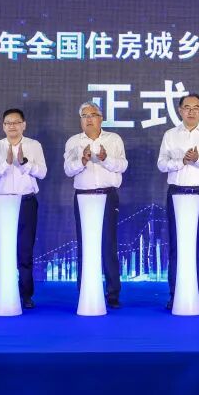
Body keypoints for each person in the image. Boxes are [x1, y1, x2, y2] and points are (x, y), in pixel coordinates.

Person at [157, 93, 199, 311]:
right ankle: (175, 294)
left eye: (196, 108)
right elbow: (161, 164)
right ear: (180, 110)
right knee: (176, 245)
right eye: (187, 107)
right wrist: (182, 161)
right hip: (177, 193)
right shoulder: (170, 135)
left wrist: (198, 159)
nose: (191, 111)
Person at [63, 101, 127, 309]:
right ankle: (85, 289)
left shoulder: (113, 139)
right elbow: (68, 170)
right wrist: (82, 161)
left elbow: (122, 165)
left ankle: (113, 293)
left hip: (107, 196)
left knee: (108, 245)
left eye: (92, 115)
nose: (88, 119)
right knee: (85, 244)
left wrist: (105, 159)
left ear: (101, 118)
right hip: (84, 197)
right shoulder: (74, 142)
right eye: (84, 116)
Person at [0, 108, 47, 309]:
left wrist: (23, 163)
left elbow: (43, 173)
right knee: (5, 250)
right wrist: (6, 163)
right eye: (8, 123)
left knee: (25, 250)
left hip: (26, 202)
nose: (12, 126)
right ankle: (6, 291)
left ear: (23, 125)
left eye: (16, 122)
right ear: (3, 126)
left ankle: (26, 295)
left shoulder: (34, 145)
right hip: (3, 203)